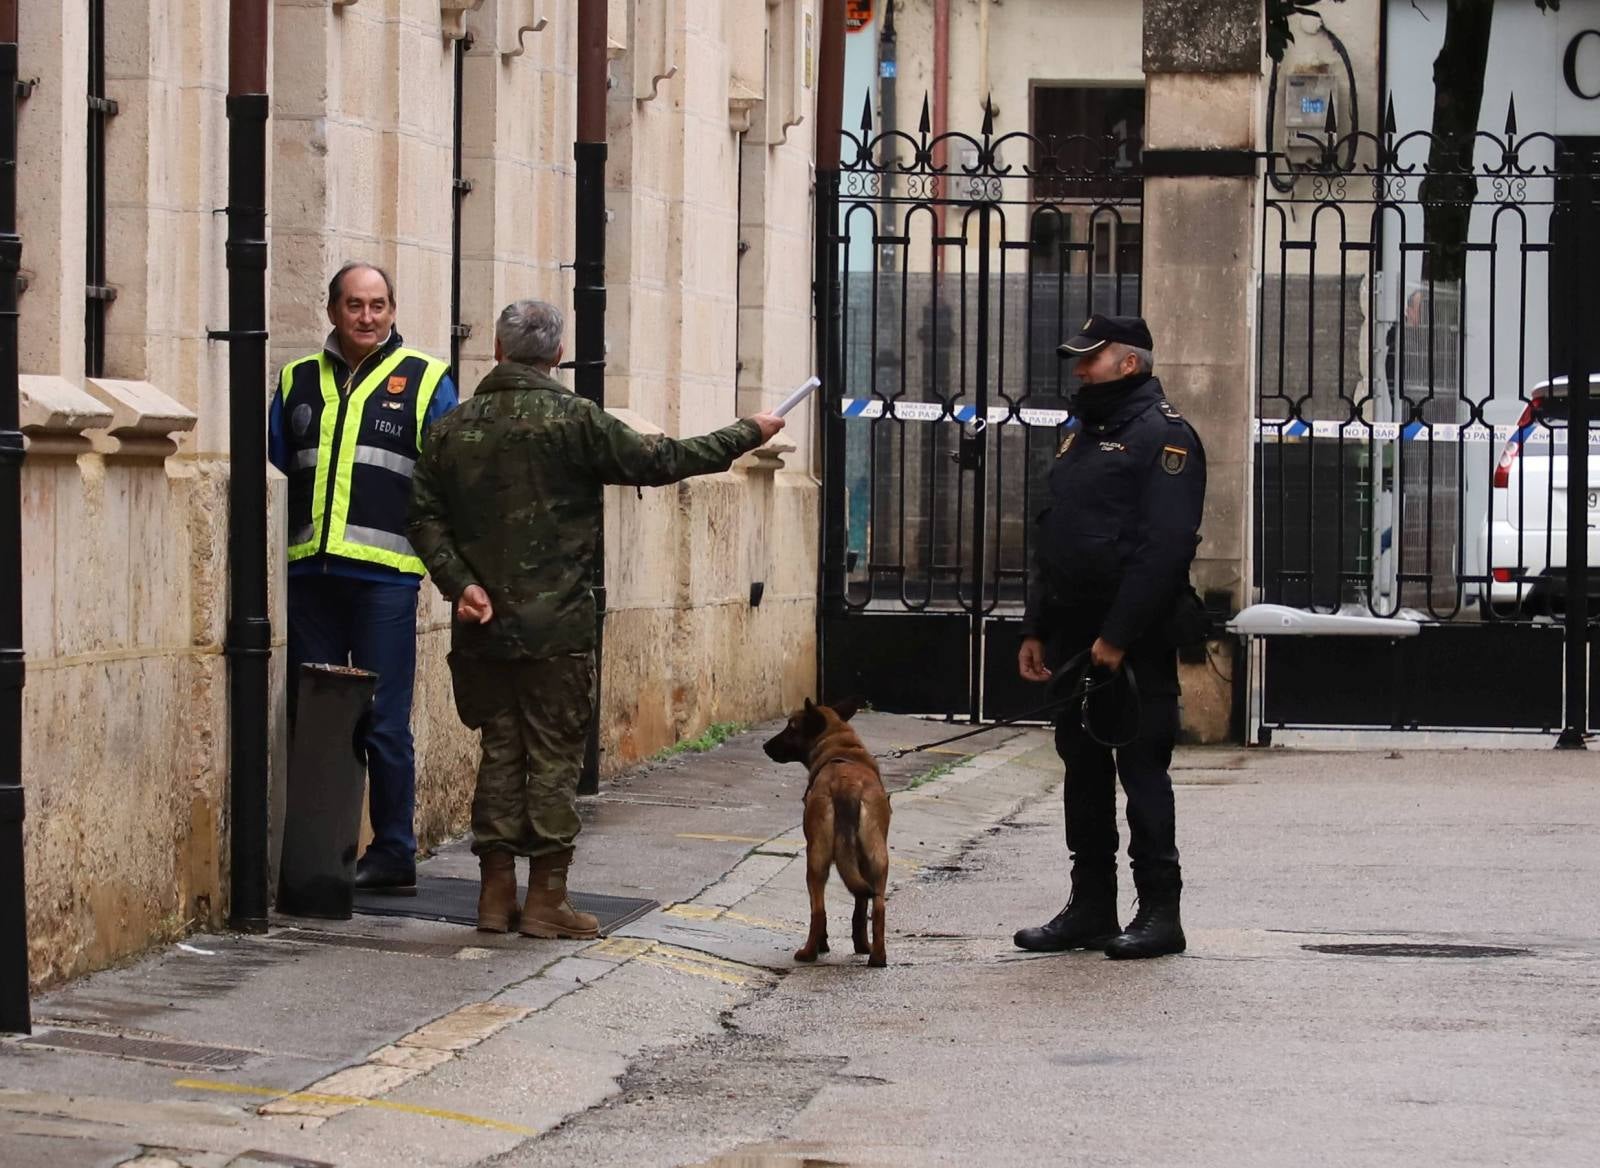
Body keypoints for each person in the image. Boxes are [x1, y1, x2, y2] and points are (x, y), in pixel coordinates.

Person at [406, 299, 785, 938]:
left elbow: (421, 516)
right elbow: (660, 462)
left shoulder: (451, 427)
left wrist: (460, 584)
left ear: (495, 352)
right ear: (557, 356)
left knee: (499, 750)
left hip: (483, 627)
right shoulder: (575, 420)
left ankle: (494, 897)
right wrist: (746, 432)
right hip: (558, 630)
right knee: (552, 756)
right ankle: (547, 901)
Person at [1013, 314, 1206, 960]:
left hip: (1134, 643)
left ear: (1129, 364)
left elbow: (1164, 550)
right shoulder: (1084, 437)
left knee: (1141, 770)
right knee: (1083, 771)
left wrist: (1117, 638)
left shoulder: (1165, 439)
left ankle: (1159, 911)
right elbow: (1054, 532)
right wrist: (1037, 626)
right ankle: (1091, 907)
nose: (1078, 370)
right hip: (1073, 635)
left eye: (1089, 359)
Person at [268, 261, 459, 895]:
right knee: (318, 720)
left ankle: (395, 851)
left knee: (382, 720)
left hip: (386, 579)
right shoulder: (295, 379)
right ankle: (322, 853)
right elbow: (274, 471)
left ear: (394, 310)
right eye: (355, 305)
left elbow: (447, 481)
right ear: (333, 311)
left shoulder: (428, 379)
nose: (367, 317)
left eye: (378, 304)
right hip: (310, 575)